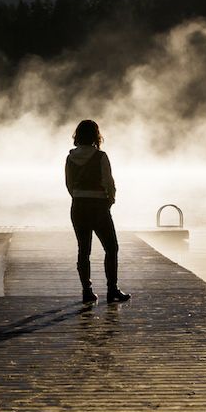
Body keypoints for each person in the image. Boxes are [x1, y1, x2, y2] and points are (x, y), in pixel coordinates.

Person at [65, 119, 130, 303]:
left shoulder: (70, 158)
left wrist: (79, 197)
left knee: (83, 250)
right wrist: (110, 200)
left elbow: (69, 184)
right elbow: (109, 182)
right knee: (111, 248)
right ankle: (112, 290)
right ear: (96, 135)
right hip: (98, 206)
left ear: (77, 136)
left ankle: (87, 291)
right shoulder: (101, 156)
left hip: (78, 206)